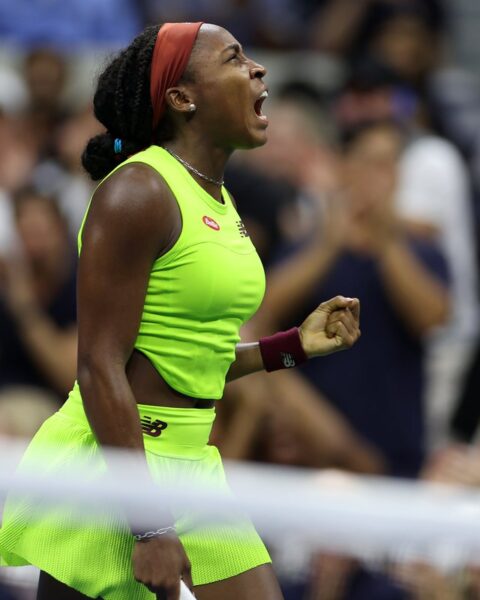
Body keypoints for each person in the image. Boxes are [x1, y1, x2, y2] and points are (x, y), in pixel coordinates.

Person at [0, 22, 361, 600]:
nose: (258, 69)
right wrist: (149, 521)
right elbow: (98, 366)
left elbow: (191, 358)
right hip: (115, 469)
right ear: (182, 97)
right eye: (234, 59)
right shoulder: (137, 193)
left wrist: (291, 348)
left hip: (192, 464)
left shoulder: (218, 196)